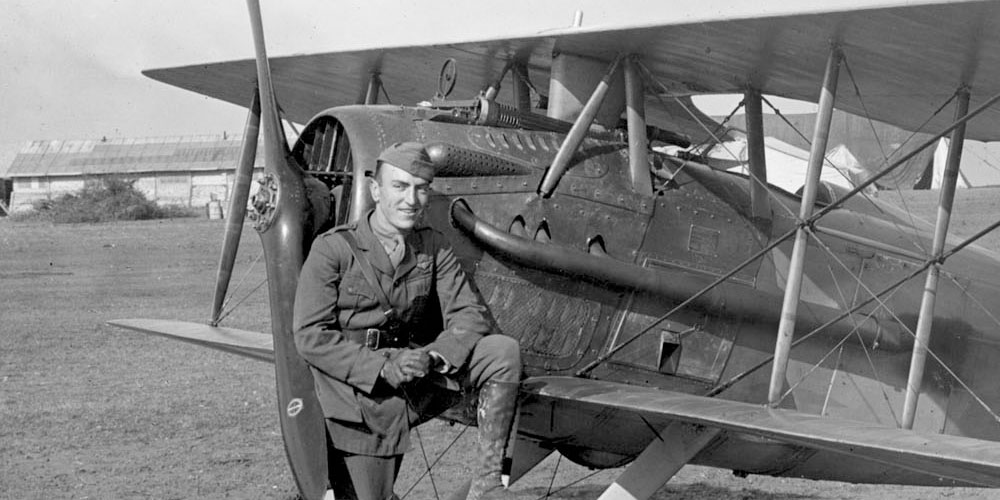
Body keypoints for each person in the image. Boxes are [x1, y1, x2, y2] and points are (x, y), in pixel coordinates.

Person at [293, 142, 525, 500]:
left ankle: (487, 484)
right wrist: (383, 368)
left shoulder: (434, 246)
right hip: (356, 391)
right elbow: (311, 336)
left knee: (500, 351)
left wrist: (433, 356)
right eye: (400, 186)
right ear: (375, 190)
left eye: (421, 188)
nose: (411, 200)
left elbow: (468, 314)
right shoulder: (333, 249)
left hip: (414, 376)